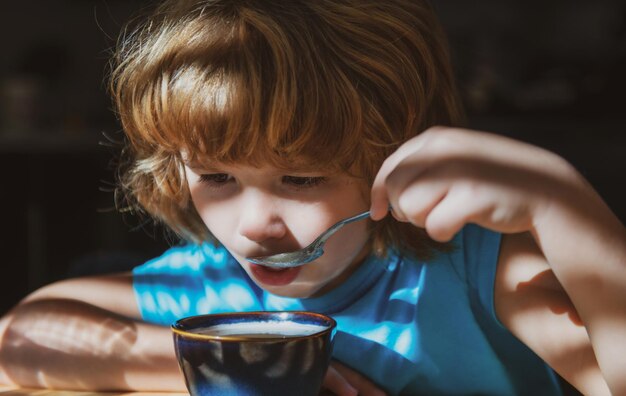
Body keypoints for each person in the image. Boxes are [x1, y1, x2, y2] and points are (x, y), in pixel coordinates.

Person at [1, 0, 625, 394]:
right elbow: (21, 339)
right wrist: (228, 367)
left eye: (300, 179)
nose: (254, 226)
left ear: (396, 155)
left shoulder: (474, 270)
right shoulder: (206, 294)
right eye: (217, 178)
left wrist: (562, 206)